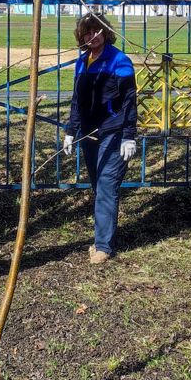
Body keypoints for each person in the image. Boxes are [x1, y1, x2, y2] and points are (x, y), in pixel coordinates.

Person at [63, 13, 137, 264]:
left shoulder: (119, 60)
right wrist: (71, 130)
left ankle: (103, 246)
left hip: (113, 133)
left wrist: (129, 135)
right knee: (98, 187)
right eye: (87, 32)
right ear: (81, 36)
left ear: (105, 33)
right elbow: (77, 100)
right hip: (89, 133)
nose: (92, 36)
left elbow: (129, 100)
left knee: (106, 186)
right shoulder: (83, 61)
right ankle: (101, 238)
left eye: (97, 31)